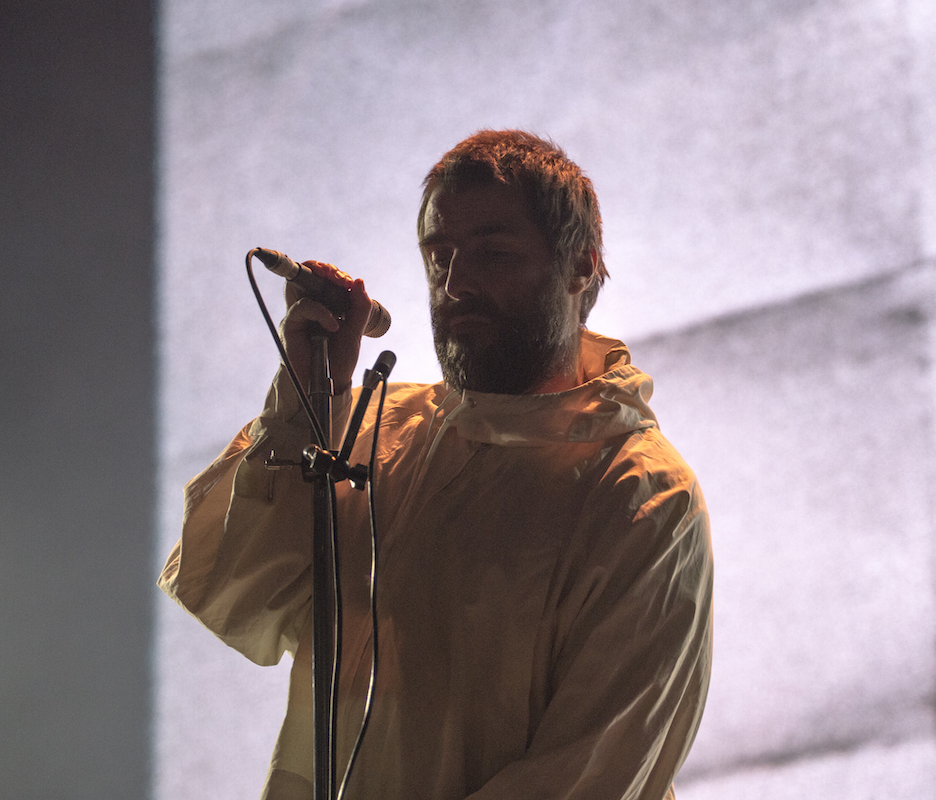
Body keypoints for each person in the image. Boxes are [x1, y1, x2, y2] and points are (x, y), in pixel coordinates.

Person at [159, 130, 714, 800]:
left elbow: (587, 776)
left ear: (580, 266)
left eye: (493, 254)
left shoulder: (642, 495)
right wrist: (307, 400)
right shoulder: (373, 431)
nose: (455, 284)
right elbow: (239, 595)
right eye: (438, 255)